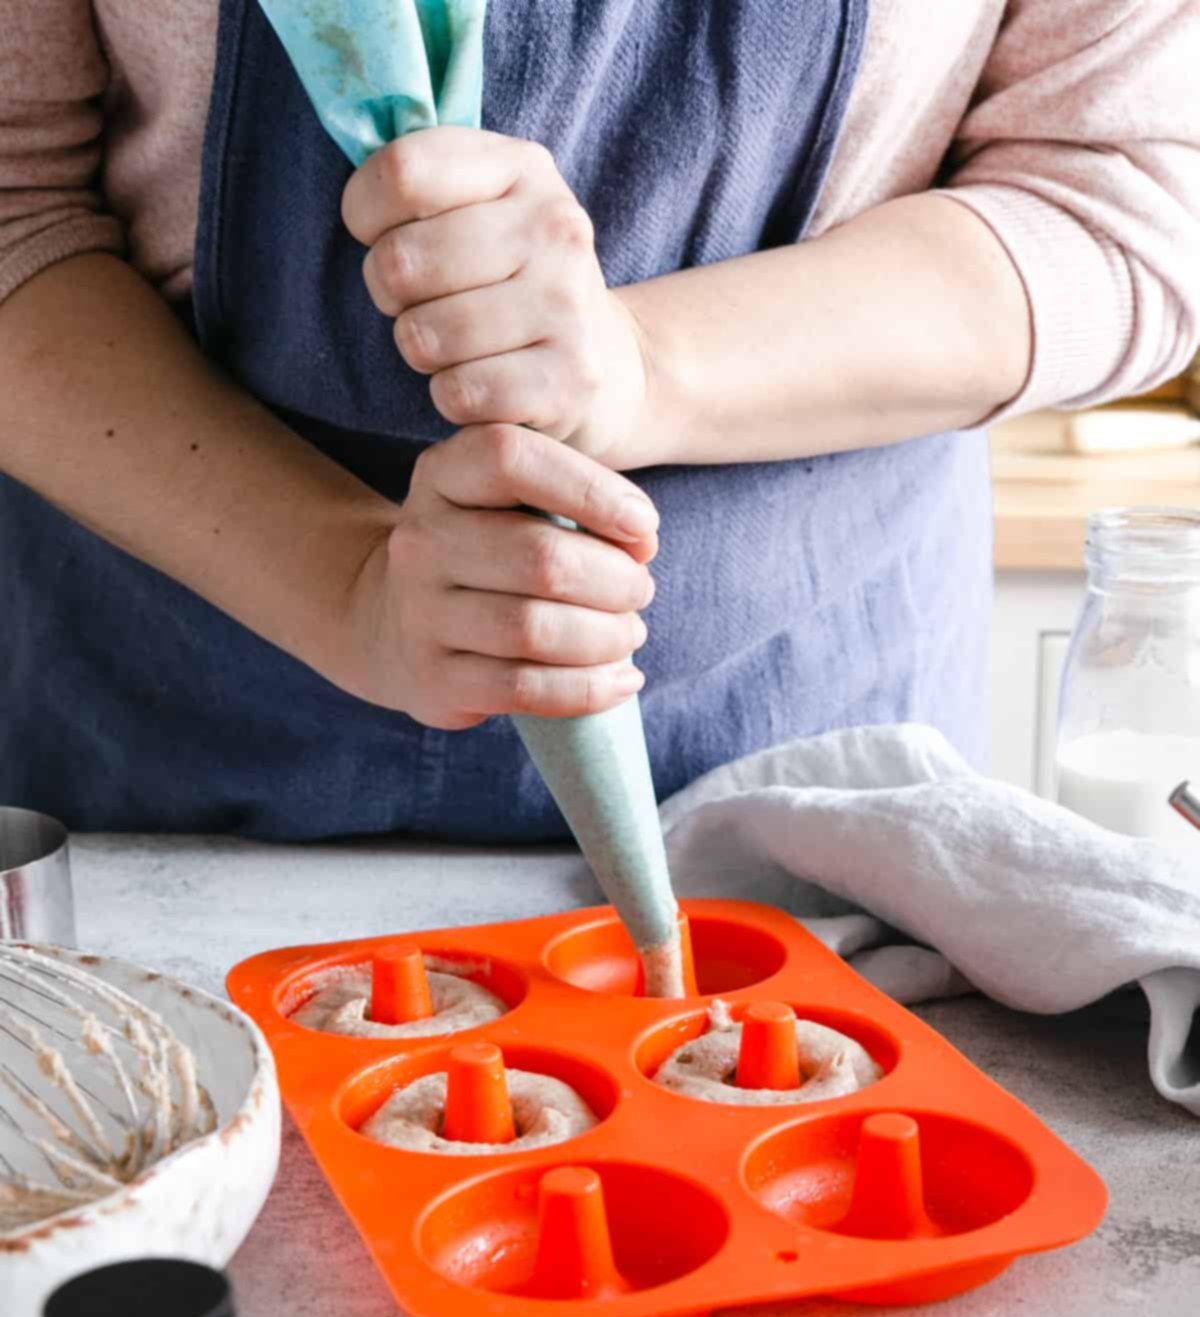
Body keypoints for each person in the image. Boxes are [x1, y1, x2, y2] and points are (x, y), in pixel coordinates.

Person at [1, 0, 1197, 841]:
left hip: (802, 791)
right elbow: (17, 199)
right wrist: (339, 581)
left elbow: (1122, 196)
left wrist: (639, 366)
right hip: (161, 760)